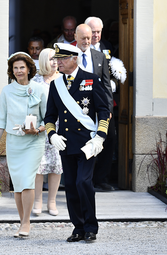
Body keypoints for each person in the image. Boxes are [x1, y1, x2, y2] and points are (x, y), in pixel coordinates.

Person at [44, 43, 110, 243]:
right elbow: (49, 115)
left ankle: (91, 227)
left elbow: (104, 111)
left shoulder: (91, 79)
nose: (58, 63)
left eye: (62, 59)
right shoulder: (56, 85)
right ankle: (78, 228)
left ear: (75, 59)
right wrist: (52, 134)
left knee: (83, 182)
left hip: (88, 143)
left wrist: (100, 136)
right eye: (57, 59)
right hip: (66, 143)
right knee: (71, 186)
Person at [0, 52, 48, 238]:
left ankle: (26, 223)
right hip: (14, 142)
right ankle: (22, 221)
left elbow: (48, 119)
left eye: (22, 67)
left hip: (34, 142)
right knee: (17, 184)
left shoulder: (40, 89)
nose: (18, 71)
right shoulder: (6, 91)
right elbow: (1, 118)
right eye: (15, 68)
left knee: (27, 179)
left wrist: (38, 130)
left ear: (29, 68)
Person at [75, 24, 116, 192]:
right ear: (76, 38)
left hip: (99, 107)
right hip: (77, 107)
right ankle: (83, 181)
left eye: (89, 37)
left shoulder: (99, 57)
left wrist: (108, 110)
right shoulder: (69, 55)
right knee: (81, 141)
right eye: (83, 38)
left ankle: (101, 178)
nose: (87, 40)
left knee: (108, 138)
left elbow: (106, 85)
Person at [31, 48, 63, 216]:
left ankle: (52, 202)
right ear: (43, 61)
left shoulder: (63, 79)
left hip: (58, 130)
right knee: (39, 167)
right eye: (51, 59)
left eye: (57, 59)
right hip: (40, 129)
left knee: (56, 166)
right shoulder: (35, 81)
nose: (55, 62)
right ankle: (37, 201)